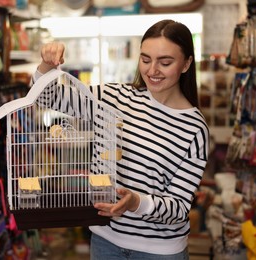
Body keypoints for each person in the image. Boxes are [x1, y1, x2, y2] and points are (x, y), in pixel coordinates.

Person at [34, 19, 209, 260]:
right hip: (105, 241)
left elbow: (179, 209)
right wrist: (46, 65)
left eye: (165, 62)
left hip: (159, 252)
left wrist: (136, 202)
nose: (152, 70)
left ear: (187, 63)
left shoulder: (194, 128)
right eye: (145, 59)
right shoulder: (114, 97)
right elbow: (46, 99)